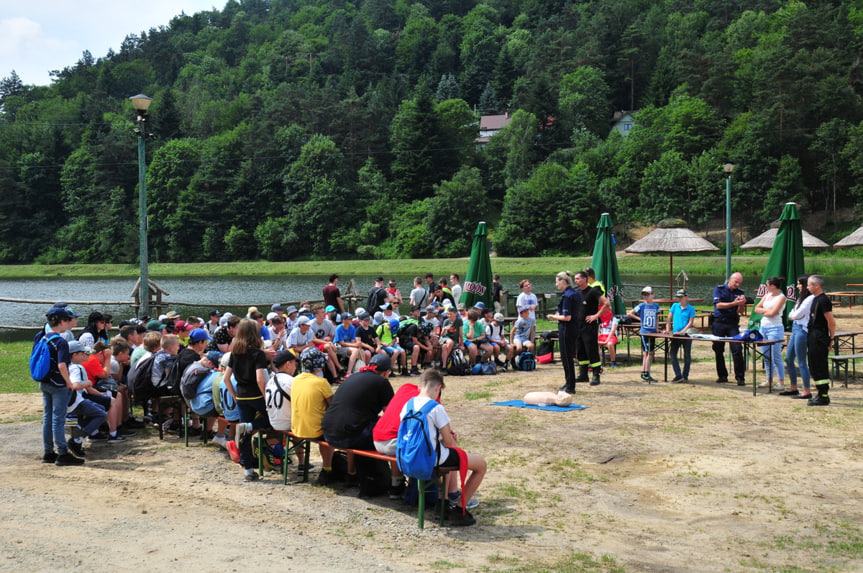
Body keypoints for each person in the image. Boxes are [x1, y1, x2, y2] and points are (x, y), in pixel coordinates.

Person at [400, 369, 486, 526]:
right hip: (430, 458)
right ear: (438, 387)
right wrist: (449, 437)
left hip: (408, 457)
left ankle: (443, 502)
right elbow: (448, 442)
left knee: (450, 457)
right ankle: (459, 509)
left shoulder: (408, 405)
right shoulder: (435, 407)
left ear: (420, 386)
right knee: (480, 465)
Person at [323, 353, 395, 481]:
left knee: (360, 423)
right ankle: (386, 480)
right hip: (348, 437)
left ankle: (352, 472)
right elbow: (390, 415)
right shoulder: (382, 382)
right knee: (387, 437)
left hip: (328, 432)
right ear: (386, 372)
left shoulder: (352, 377)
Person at [223, 319, 271, 481]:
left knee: (244, 434)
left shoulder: (235, 354)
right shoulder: (258, 354)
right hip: (256, 395)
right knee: (271, 420)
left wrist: (234, 396)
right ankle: (252, 427)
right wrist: (266, 397)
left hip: (242, 396)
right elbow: (259, 379)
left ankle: (248, 469)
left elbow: (226, 378)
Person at [37, 306, 83, 466]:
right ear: (62, 322)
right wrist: (69, 383)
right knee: (58, 419)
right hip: (58, 385)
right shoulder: (61, 341)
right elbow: (63, 366)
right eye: (68, 320)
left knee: (48, 418)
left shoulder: (43, 338)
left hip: (45, 383)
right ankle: (63, 454)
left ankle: (48, 452)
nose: (70, 322)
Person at [291, 347, 336, 484]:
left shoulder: (296, 380)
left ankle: (302, 463)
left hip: (296, 428)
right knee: (330, 436)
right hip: (315, 430)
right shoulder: (322, 382)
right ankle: (327, 468)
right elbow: (332, 406)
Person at [66, 340, 109, 458]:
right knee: (101, 415)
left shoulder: (67, 366)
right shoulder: (76, 368)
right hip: (75, 401)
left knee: (99, 408)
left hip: (74, 400)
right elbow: (75, 386)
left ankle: (80, 429)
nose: (87, 356)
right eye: (83, 354)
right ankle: (77, 439)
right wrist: (87, 383)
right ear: (74, 355)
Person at [547, 271, 581, 394]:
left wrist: (553, 316)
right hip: (574, 328)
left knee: (566, 358)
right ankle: (568, 382)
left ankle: (570, 385)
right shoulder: (575, 293)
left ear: (563, 281)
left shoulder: (567, 296)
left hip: (567, 329)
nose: (556, 284)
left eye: (557, 281)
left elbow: (567, 317)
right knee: (568, 357)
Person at [712, 272, 747, 385]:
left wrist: (741, 304)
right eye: (736, 282)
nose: (737, 285)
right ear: (730, 280)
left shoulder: (740, 293)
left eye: (739, 283)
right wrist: (733, 303)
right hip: (719, 322)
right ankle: (722, 376)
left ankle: (740, 377)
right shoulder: (719, 289)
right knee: (718, 349)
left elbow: (740, 312)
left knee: (737, 349)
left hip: (732, 323)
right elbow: (718, 305)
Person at [575, 270, 609, 385]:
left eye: (578, 279)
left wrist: (596, 316)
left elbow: (606, 303)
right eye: (575, 279)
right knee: (580, 350)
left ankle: (596, 375)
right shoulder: (577, 292)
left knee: (591, 350)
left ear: (585, 279)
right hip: (578, 326)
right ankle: (583, 375)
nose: (576, 281)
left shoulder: (593, 291)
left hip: (589, 326)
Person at [805, 275, 835, 406]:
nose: (807, 287)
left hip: (820, 336)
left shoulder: (823, 300)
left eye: (809, 285)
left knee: (820, 366)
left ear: (817, 285)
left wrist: (831, 339)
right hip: (812, 335)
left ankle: (824, 395)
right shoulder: (815, 299)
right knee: (813, 365)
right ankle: (819, 393)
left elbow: (831, 322)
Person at [754, 277, 787, 391]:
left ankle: (781, 382)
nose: (765, 286)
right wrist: (767, 312)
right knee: (766, 356)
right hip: (764, 327)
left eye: (767, 284)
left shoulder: (781, 297)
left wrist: (766, 312)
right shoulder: (767, 295)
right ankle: (769, 380)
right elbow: (756, 308)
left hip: (775, 328)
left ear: (773, 286)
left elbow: (774, 313)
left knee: (776, 356)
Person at [784, 275, 813, 399]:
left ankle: (806, 390)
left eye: (799, 284)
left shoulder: (810, 298)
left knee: (801, 361)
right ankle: (793, 387)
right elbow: (792, 312)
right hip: (795, 328)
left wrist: (794, 316)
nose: (797, 286)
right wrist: (794, 316)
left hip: (802, 330)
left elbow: (798, 314)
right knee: (789, 358)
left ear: (805, 285)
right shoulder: (801, 298)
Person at [628, 286, 660, 383]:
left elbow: (657, 318)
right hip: (645, 332)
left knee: (650, 353)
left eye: (648, 294)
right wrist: (640, 319)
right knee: (648, 353)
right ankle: (646, 373)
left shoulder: (656, 306)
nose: (646, 297)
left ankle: (645, 372)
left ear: (653, 295)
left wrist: (657, 329)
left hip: (652, 332)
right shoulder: (642, 305)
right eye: (644, 295)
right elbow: (630, 313)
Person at [665, 289, 696, 383]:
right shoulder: (675, 306)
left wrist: (682, 331)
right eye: (678, 297)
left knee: (687, 355)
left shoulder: (691, 308)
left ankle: (685, 375)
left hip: (686, 335)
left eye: (681, 297)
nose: (679, 299)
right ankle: (678, 375)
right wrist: (667, 329)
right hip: (675, 334)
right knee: (673, 353)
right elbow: (669, 318)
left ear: (686, 297)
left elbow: (690, 323)